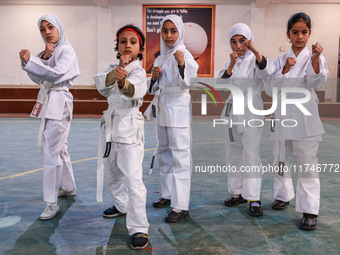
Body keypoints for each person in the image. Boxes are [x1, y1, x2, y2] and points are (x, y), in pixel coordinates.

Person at [265, 12, 328, 230]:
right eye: (295, 32)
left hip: (305, 117)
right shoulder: (280, 60)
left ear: (310, 33)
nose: (299, 36)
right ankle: (283, 195)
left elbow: (315, 82)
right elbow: (269, 88)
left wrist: (315, 59)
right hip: (281, 115)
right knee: (280, 159)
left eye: (304, 32)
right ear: (288, 34)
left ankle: (310, 210)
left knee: (308, 163)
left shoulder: (315, 57)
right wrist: (284, 70)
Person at [94, 24, 149, 249]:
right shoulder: (111, 68)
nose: (127, 45)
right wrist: (115, 74)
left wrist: (122, 79)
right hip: (110, 126)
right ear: (117, 45)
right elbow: (101, 86)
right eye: (123, 41)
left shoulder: (139, 72)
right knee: (112, 172)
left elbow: (134, 91)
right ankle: (121, 204)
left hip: (129, 126)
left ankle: (139, 228)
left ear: (140, 48)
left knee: (132, 179)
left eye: (132, 42)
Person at [19, 14, 79, 220]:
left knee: (51, 150)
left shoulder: (66, 51)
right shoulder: (50, 51)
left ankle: (51, 202)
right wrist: (41, 58)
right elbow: (37, 76)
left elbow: (55, 74)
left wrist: (33, 61)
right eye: (42, 29)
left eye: (50, 27)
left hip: (59, 100)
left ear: (59, 28)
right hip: (50, 100)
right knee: (59, 148)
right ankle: (69, 187)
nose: (47, 32)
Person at [145, 15, 199, 223]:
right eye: (165, 31)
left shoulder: (184, 54)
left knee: (180, 157)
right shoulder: (160, 58)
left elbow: (189, 83)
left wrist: (182, 64)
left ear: (180, 33)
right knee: (164, 154)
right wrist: (154, 78)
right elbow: (153, 89)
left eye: (173, 31)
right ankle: (167, 195)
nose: (168, 35)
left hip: (178, 108)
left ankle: (181, 205)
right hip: (162, 108)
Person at [218, 23, 274, 217]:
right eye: (233, 42)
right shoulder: (229, 63)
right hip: (233, 110)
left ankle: (254, 197)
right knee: (232, 152)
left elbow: (267, 74)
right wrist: (232, 64)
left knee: (251, 154)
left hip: (252, 109)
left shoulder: (256, 60)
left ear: (250, 40)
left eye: (242, 41)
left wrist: (255, 51)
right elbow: (222, 84)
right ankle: (237, 192)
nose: (238, 46)